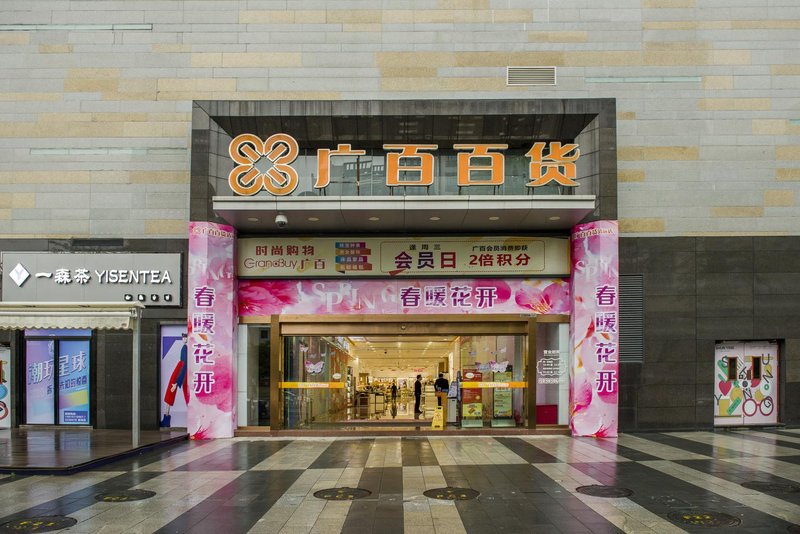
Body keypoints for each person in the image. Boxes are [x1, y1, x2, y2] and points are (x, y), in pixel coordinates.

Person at [161, 333, 188, 427]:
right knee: (171, 392)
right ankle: (166, 418)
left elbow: (185, 364)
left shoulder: (185, 348)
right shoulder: (184, 347)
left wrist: (177, 382)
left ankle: (166, 419)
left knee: (180, 392)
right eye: (183, 338)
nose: (184, 339)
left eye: (185, 337)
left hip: (181, 369)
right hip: (180, 368)